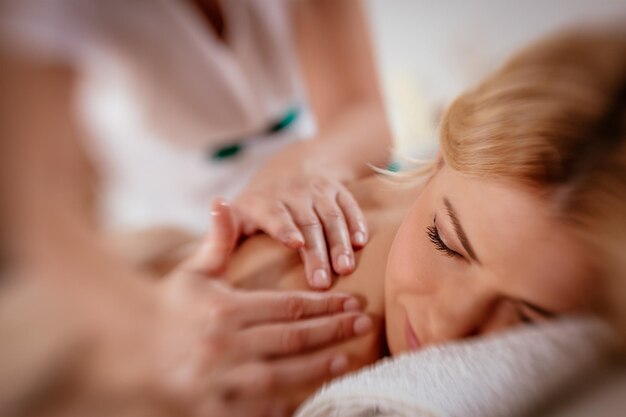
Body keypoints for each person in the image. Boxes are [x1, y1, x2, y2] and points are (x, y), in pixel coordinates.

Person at [181, 29, 625, 410]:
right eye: (445, 243)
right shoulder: (308, 308)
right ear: (436, 163)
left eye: (528, 319)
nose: (445, 328)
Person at [0, 50, 376, 417]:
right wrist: (150, 327)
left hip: (289, 197)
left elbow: (363, 106)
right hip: (143, 267)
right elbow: (27, 197)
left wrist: (307, 167)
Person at [0, 0, 392, 289]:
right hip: (170, 246)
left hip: (314, 186)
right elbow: (36, 206)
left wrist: (305, 169)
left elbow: (363, 112)